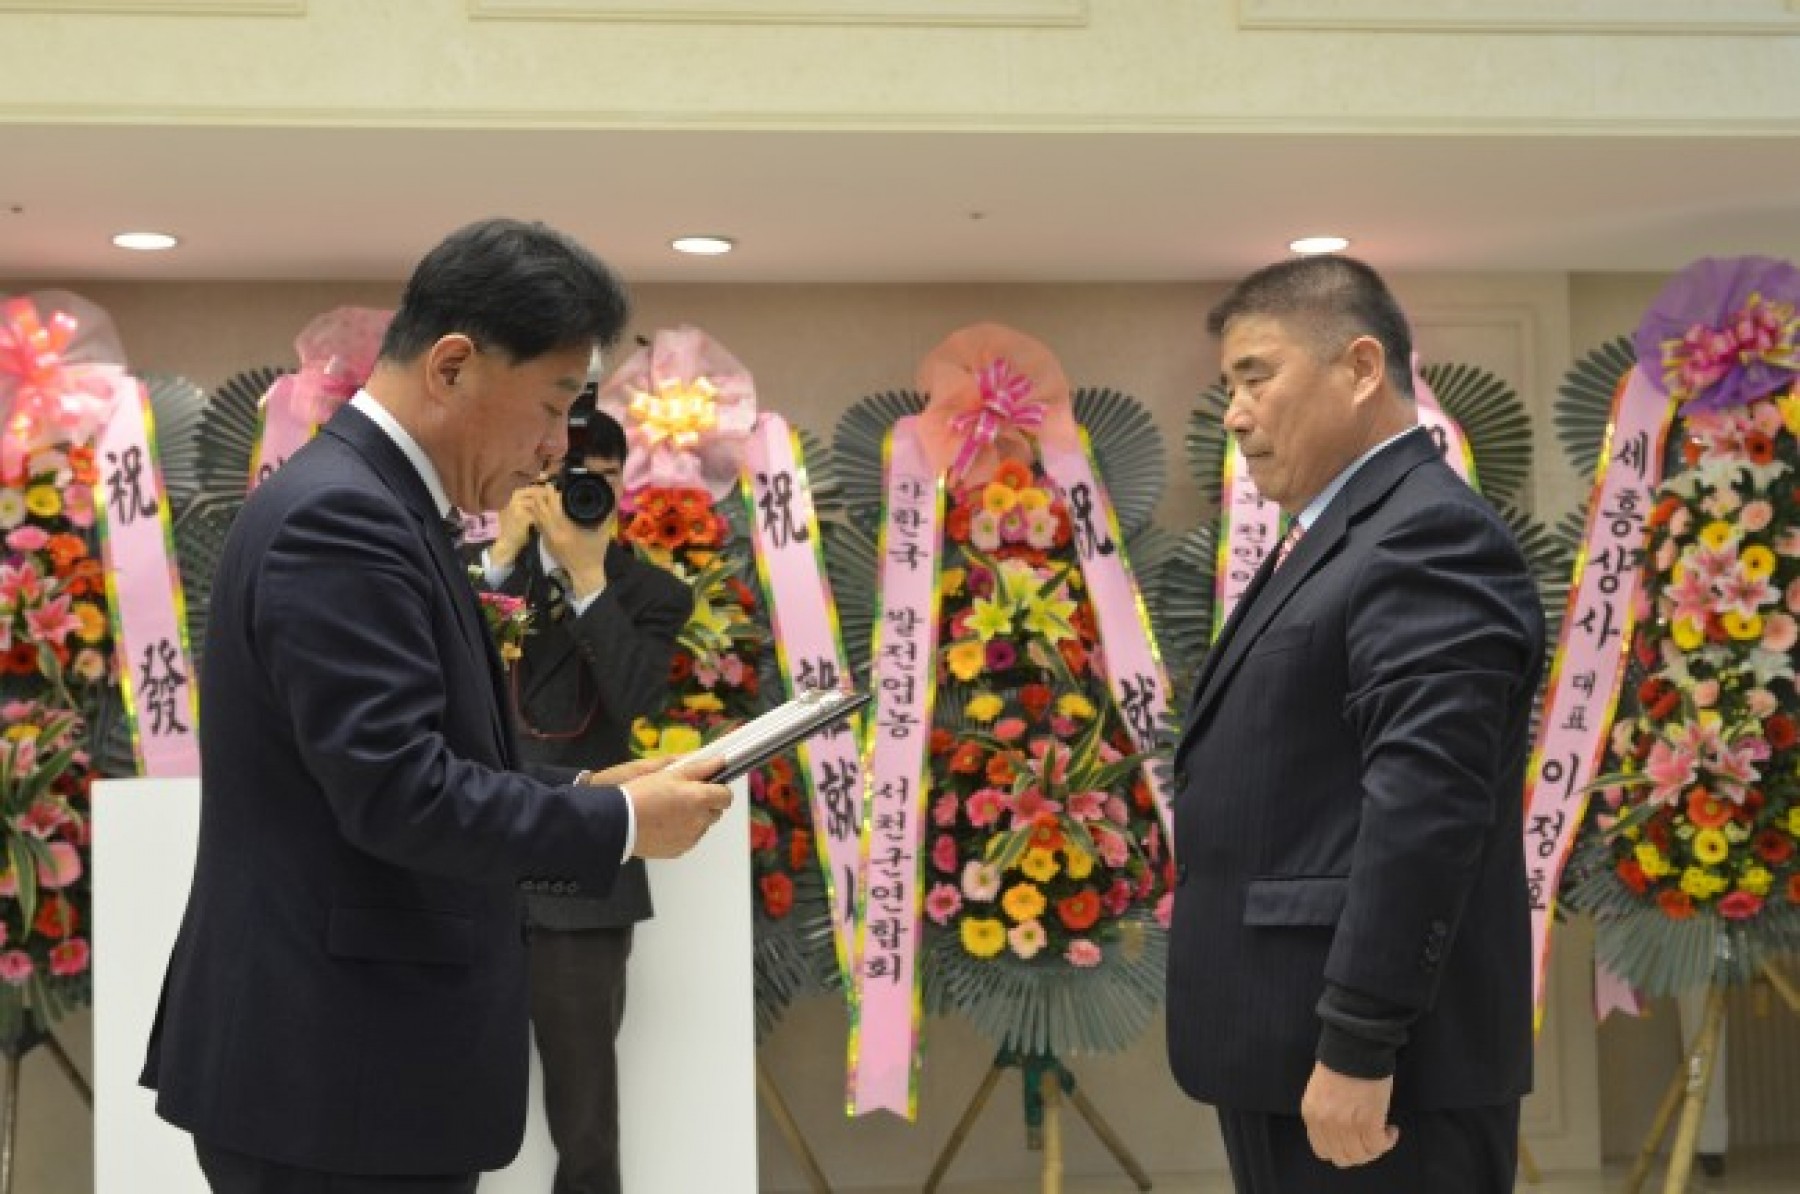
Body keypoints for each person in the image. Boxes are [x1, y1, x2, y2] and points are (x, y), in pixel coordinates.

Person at [140, 218, 733, 1194]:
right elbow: (398, 795)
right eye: (551, 407)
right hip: (335, 1071)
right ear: (453, 365)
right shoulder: (346, 518)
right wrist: (620, 821)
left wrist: (587, 781)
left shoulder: (374, 502)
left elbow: (407, 754)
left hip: (343, 1063)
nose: (553, 453)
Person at [1164, 254, 1544, 1193]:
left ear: (1362, 367)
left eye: (1257, 377)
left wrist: (1361, 1037)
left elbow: (1426, 806)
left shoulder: (1426, 535)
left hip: (1375, 1075)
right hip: (1286, 1049)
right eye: (1229, 388)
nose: (1236, 414)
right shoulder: (1345, 533)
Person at [479, 400, 693, 1194]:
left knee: (586, 1111)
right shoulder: (485, 574)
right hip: (471, 856)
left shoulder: (651, 592)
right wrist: (503, 557)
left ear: (621, 484)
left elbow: (639, 700)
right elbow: (444, 682)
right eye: (561, 477)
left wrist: (591, 579)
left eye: (595, 480)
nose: (578, 495)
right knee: (440, 1079)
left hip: (581, 885)